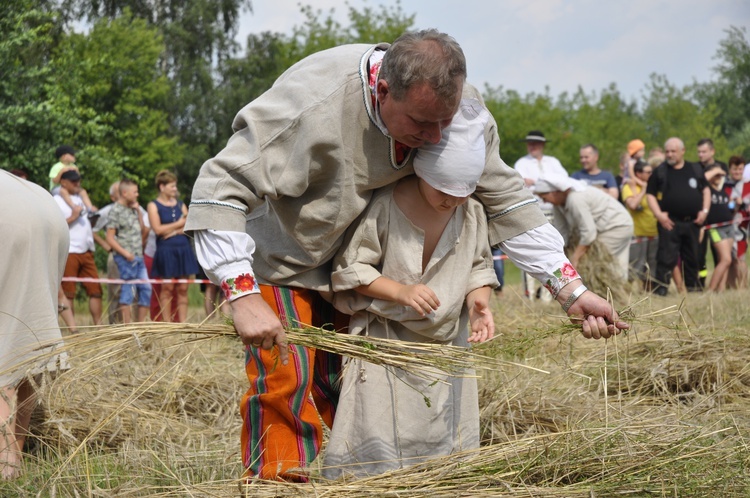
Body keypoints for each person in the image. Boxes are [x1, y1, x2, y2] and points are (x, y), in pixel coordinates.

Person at [185, 29, 627, 482]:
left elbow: (507, 199)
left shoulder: (463, 112)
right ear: (382, 91)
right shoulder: (310, 104)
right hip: (284, 260)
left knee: (351, 383)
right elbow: (219, 187)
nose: (435, 137)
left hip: (359, 274)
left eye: (444, 121)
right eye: (421, 123)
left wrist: (571, 290)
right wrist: (242, 294)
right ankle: (273, 486)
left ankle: (359, 484)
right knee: (286, 380)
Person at [323, 99, 497, 478]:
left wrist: (478, 302)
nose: (451, 200)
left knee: (442, 432)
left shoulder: (471, 214)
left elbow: (479, 265)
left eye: (461, 192)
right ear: (423, 172)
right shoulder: (387, 205)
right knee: (378, 427)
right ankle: (374, 481)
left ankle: (439, 480)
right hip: (386, 343)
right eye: (442, 189)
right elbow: (352, 269)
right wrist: (399, 292)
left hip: (445, 345)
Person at [0, 170, 70, 479]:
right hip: (47, 213)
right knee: (29, 351)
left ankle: (5, 463)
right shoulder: (33, 189)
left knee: (5, 350)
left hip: (14, 220)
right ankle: (15, 451)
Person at [535, 176, 634, 281]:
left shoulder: (576, 199)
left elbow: (589, 233)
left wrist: (575, 258)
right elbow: (562, 231)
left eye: (544, 197)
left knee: (598, 263)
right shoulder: (557, 205)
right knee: (609, 264)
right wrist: (562, 257)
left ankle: (611, 291)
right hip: (604, 229)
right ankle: (613, 292)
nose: (544, 202)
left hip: (616, 226)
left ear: (555, 192)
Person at [646, 137, 711, 296]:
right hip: (669, 223)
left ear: (682, 151)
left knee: (693, 257)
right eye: (667, 151)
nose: (669, 154)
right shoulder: (660, 171)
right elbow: (650, 195)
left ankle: (693, 288)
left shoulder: (695, 169)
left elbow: (706, 190)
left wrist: (704, 211)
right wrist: (659, 215)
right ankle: (661, 289)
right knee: (666, 258)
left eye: (673, 151)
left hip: (693, 222)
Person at [513, 129, 568, 301]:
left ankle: (549, 295)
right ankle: (528, 295)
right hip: (531, 211)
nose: (532, 146)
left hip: (552, 210)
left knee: (555, 251)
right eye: (530, 143)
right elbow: (521, 184)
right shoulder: (521, 163)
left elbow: (563, 182)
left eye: (536, 143)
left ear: (542, 145)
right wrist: (546, 183)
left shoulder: (553, 162)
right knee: (528, 251)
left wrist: (535, 182)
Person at [147, 170, 200, 323]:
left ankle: (182, 323)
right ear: (162, 187)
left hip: (183, 249)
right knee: (167, 288)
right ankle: (166, 323)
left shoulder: (180, 204)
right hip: (166, 251)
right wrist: (179, 223)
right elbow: (157, 229)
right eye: (172, 186)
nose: (175, 189)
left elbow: (189, 224)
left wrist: (173, 231)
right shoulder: (153, 205)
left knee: (183, 288)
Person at [54, 169, 103, 326]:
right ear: (64, 183)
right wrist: (74, 216)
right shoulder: (56, 200)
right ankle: (72, 329)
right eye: (74, 182)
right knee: (69, 292)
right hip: (70, 251)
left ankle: (99, 325)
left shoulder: (80, 198)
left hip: (87, 250)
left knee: (96, 290)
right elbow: (56, 226)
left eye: (78, 181)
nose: (77, 184)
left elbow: (88, 223)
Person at [106, 179, 152, 323]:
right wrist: (125, 253)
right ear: (125, 193)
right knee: (128, 291)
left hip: (138, 257)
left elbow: (143, 229)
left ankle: (140, 325)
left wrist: (138, 211)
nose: (137, 194)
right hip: (125, 258)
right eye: (135, 192)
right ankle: (128, 326)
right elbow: (110, 238)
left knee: (146, 289)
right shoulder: (115, 210)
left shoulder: (133, 209)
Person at [696, 138, 729, 286]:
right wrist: (715, 172)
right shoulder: (696, 168)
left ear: (712, 151)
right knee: (700, 255)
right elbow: (699, 184)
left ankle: (720, 285)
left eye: (704, 151)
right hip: (702, 220)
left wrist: (717, 171)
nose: (700, 155)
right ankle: (700, 283)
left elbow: (723, 183)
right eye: (699, 152)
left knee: (720, 256)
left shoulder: (722, 165)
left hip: (720, 221)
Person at [622, 161, 658, 289]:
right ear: (638, 174)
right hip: (637, 233)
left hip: (654, 232)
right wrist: (643, 189)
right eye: (648, 172)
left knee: (651, 264)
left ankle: (648, 291)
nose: (651, 174)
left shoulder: (654, 186)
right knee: (635, 264)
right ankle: (628, 291)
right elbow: (633, 205)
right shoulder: (629, 187)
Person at [703, 164, 734, 292]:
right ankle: (710, 289)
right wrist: (715, 170)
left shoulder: (723, 190)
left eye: (720, 175)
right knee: (726, 259)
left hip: (729, 226)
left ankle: (720, 289)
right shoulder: (706, 189)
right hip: (715, 228)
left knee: (725, 260)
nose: (718, 177)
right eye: (716, 175)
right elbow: (702, 179)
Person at [48, 145, 96, 214]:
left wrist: (77, 172)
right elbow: (55, 181)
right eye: (72, 154)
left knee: (83, 191)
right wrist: (62, 171)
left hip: (71, 188)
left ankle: (90, 209)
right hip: (57, 188)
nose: (74, 156)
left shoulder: (74, 166)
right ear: (64, 156)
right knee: (63, 191)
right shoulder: (56, 167)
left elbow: (78, 179)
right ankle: (74, 206)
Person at [725, 156, 750, 288]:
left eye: (740, 169)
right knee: (728, 259)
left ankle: (742, 286)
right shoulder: (724, 185)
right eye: (734, 169)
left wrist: (743, 203)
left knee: (740, 258)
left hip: (741, 228)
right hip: (725, 226)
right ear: (730, 169)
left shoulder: (748, 185)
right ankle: (729, 285)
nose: (737, 172)